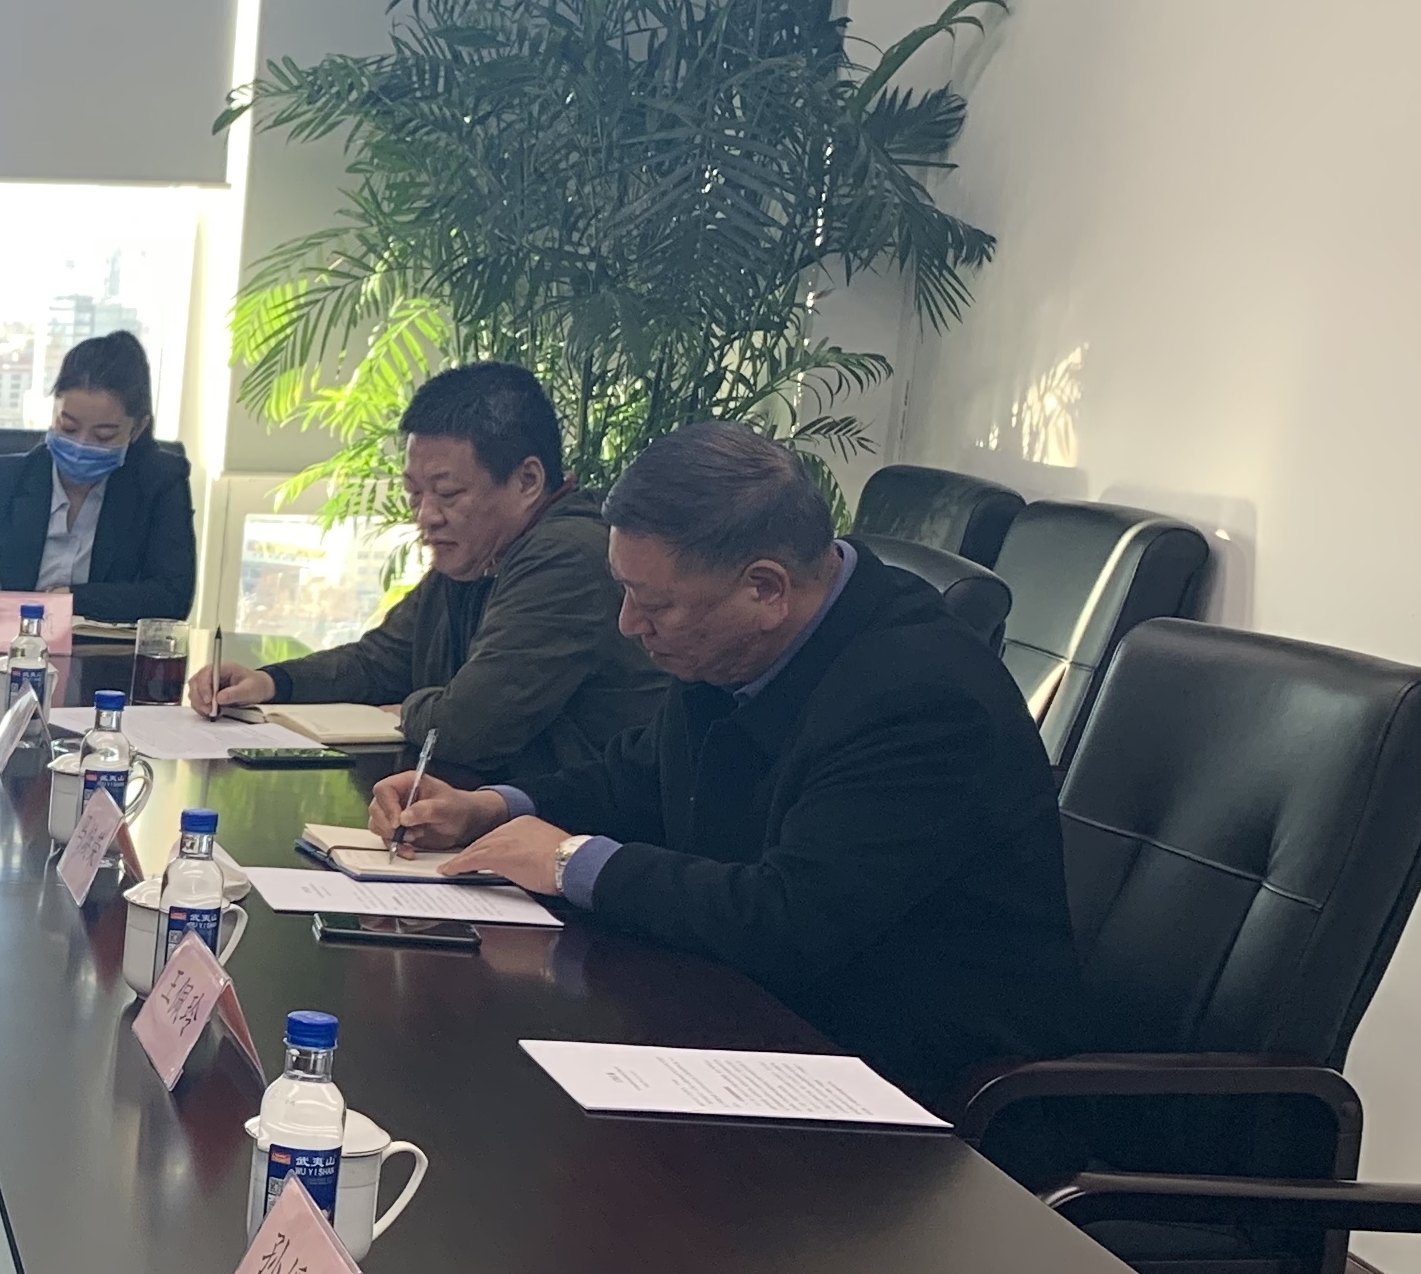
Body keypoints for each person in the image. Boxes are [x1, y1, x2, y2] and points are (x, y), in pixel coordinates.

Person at [372, 422, 1079, 1103]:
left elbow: (788, 921)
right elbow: (640, 776)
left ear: (766, 589)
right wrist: (490, 808)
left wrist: (567, 861)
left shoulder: (921, 698)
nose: (628, 624)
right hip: (756, 1023)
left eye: (654, 603)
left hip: (909, 1087)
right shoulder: (742, 642)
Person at [186, 361, 661, 794]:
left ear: (527, 481)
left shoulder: (567, 556)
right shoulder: (478, 552)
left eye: (448, 493)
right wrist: (272, 682)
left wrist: (409, 709)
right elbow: (379, 662)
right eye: (415, 494)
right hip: (489, 809)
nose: (426, 515)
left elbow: (467, 729)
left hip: (577, 831)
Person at [0, 333, 197, 626]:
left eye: (104, 435)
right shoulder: (6, 480)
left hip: (104, 658)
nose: (81, 445)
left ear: (137, 429)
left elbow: (172, 599)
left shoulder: (159, 483)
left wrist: (72, 601)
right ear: (54, 412)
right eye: (68, 427)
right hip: (2, 653)